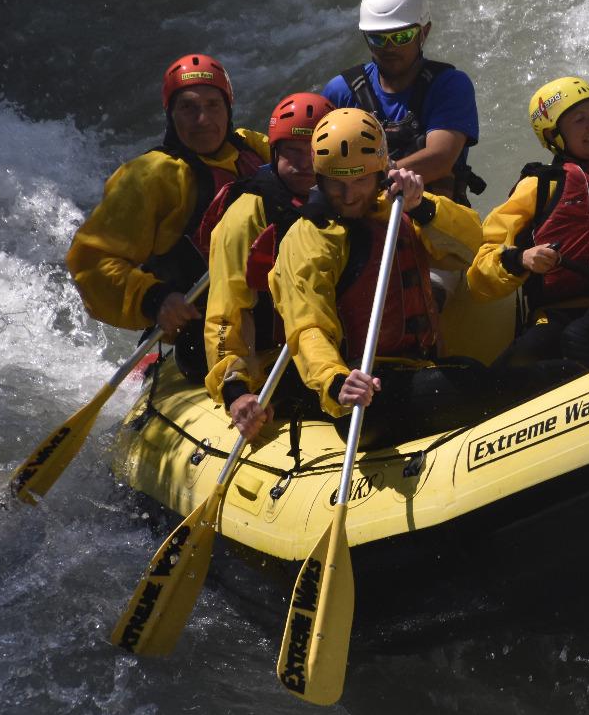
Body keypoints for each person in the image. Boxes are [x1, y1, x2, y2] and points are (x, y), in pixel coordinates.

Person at [270, 109, 558, 448]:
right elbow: (308, 326)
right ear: (320, 179)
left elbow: (472, 243)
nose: (348, 196)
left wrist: (421, 205)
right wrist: (335, 381)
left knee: (472, 370)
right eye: (336, 183)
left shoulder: (396, 209)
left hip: (420, 370)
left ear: (380, 173)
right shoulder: (310, 238)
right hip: (365, 397)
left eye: (359, 180)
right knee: (489, 385)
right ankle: (568, 378)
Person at [66, 54, 268, 382]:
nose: (202, 118)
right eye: (188, 107)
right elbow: (90, 260)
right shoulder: (152, 176)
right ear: (170, 114)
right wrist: (155, 299)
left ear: (228, 108)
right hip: (205, 331)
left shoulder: (256, 148)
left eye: (213, 105)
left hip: (274, 312)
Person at [466, 76, 589, 368]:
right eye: (579, 120)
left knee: (580, 335)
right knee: (516, 361)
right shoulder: (538, 186)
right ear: (553, 135)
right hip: (559, 314)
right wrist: (521, 258)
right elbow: (480, 275)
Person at [202, 92, 333, 440]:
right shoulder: (246, 217)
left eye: (316, 151)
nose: (305, 163)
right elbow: (225, 313)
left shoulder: (349, 197)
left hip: (331, 352)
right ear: (275, 152)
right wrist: (235, 390)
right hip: (273, 362)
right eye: (293, 151)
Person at [320, 0, 483, 205]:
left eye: (401, 36)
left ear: (424, 32)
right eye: (378, 38)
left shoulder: (449, 85)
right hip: (361, 216)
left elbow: (440, 158)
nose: (389, 47)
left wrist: (370, 180)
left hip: (430, 221)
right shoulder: (341, 91)